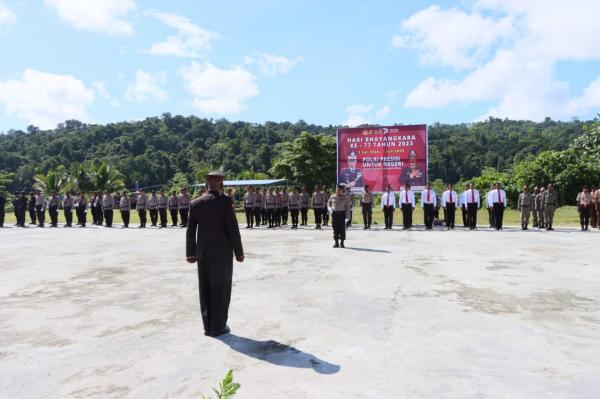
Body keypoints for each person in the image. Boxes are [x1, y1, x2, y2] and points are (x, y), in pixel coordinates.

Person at [186, 170, 244, 338]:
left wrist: (190, 253)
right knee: (220, 289)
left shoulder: (195, 202)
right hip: (221, 253)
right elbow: (233, 229)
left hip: (202, 253)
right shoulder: (225, 202)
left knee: (204, 288)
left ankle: (207, 326)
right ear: (221, 184)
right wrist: (239, 252)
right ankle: (218, 327)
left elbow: (190, 231)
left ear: (206, 184)